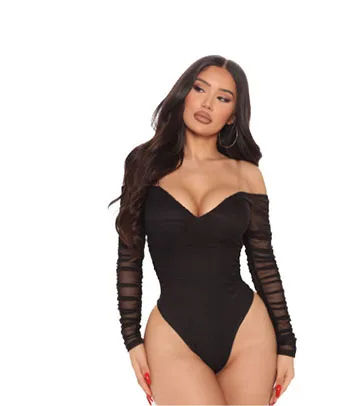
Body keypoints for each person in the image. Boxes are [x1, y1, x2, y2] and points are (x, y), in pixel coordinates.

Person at [110, 55, 297, 405]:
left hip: (247, 332)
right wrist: (132, 339)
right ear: (184, 93)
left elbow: (263, 263)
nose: (207, 103)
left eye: (223, 98)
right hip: (173, 335)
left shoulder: (247, 175)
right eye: (200, 89)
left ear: (233, 115)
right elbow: (129, 258)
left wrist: (286, 344)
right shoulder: (143, 165)